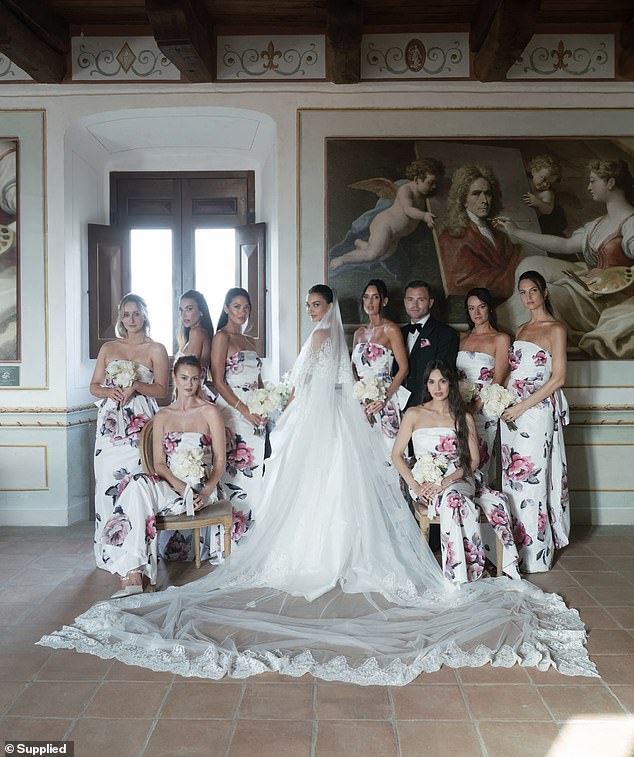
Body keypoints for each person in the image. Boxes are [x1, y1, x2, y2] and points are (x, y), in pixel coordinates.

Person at [40, 283, 594, 684]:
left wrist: (287, 400)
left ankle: (335, 552)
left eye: (315, 305)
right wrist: (280, 401)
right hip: (313, 417)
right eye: (308, 305)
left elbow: (322, 383)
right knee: (306, 486)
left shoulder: (332, 341)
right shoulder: (322, 338)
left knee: (329, 483)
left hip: (328, 420)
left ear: (328, 308)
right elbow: (303, 384)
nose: (311, 311)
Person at [101, 356, 226, 597]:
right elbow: (158, 464)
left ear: (200, 380)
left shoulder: (210, 412)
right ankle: (135, 570)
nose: (189, 384)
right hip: (171, 485)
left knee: (137, 492)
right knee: (136, 485)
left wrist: (206, 490)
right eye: (184, 378)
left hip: (200, 489)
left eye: (195, 378)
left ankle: (132, 574)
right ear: (174, 378)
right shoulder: (163, 416)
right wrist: (180, 487)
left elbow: (220, 461)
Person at [392, 361, 520, 583]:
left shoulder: (464, 417)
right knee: (455, 501)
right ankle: (463, 573)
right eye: (432, 382)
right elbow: (396, 455)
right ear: (426, 385)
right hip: (424, 482)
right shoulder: (413, 414)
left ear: (451, 383)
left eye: (442, 381)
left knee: (453, 498)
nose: (437, 387)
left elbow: (473, 461)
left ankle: (461, 575)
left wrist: (446, 481)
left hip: (458, 478)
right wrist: (416, 486)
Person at [495, 159, 634, 359]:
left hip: (612, 299)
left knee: (548, 293)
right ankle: (509, 322)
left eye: (593, 181)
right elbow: (565, 245)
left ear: (610, 183)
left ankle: (509, 328)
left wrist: (609, 277)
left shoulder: (630, 223)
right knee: (531, 266)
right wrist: (516, 231)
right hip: (591, 282)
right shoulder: (598, 224)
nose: (588, 186)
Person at [89, 294, 169, 572]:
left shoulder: (156, 349)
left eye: (136, 313)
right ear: (120, 318)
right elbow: (94, 386)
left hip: (141, 425)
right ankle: (110, 550)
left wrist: (136, 386)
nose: (131, 319)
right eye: (126, 314)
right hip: (110, 426)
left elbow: (163, 390)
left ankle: (138, 549)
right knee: (107, 484)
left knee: (137, 483)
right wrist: (109, 391)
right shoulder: (109, 348)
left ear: (145, 314)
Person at [500, 271, 570, 573]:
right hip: (512, 412)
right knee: (512, 478)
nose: (528, 297)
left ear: (544, 293)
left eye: (533, 291)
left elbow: (559, 378)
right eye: (523, 292)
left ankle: (536, 554)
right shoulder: (520, 329)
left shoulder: (556, 329)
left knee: (533, 478)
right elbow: (513, 373)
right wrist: (502, 401)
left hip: (537, 411)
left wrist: (524, 406)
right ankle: (513, 551)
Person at [210, 287, 266, 542]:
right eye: (236, 307)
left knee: (255, 474)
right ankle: (229, 539)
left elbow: (259, 381)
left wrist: (264, 407)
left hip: (257, 413)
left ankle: (251, 536)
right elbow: (218, 381)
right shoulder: (221, 337)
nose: (242, 312)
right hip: (233, 411)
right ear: (226, 309)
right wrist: (244, 410)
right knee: (233, 474)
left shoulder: (250, 341)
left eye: (246, 308)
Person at [329, 158, 445, 270]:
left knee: (382, 256)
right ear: (416, 179)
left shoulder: (423, 194)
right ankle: (342, 259)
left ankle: (361, 244)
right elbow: (408, 210)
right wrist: (424, 216)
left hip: (395, 235)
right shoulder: (406, 190)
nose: (434, 187)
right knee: (372, 255)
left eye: (435, 183)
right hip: (384, 226)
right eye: (431, 183)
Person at [438, 165, 523, 303]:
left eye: (488, 193)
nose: (484, 200)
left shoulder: (501, 236)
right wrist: (515, 274)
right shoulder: (451, 237)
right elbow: (462, 284)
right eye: (476, 193)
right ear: (463, 200)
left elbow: (516, 260)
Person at [456, 288, 511, 481]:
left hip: (484, 407)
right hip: (458, 405)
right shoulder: (461, 338)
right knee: (457, 458)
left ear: (490, 309)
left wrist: (475, 407)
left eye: (481, 307)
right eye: (471, 308)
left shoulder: (500, 339)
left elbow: (498, 378)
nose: (476, 313)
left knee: (480, 459)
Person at [351, 279, 408, 458]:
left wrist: (384, 398)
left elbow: (404, 368)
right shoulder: (358, 333)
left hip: (384, 397)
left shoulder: (390, 329)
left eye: (375, 297)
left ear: (384, 301)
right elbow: (353, 369)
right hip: (361, 399)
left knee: (387, 453)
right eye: (366, 297)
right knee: (364, 453)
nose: (370, 302)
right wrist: (359, 395)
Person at [399, 280, 458, 408]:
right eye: (410, 299)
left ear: (430, 302)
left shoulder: (445, 333)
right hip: (397, 404)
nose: (414, 305)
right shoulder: (398, 333)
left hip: (428, 405)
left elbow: (444, 374)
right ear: (405, 302)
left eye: (420, 300)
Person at [176, 289, 215, 397]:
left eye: (189, 309)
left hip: (191, 397)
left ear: (201, 311)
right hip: (193, 394)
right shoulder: (202, 333)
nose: (184, 315)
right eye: (181, 310)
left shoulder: (196, 332)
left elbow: (188, 372)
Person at [523, 154, 567, 237]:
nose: (545, 184)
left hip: (535, 221)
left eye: (549, 183)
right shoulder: (525, 180)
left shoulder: (547, 194)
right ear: (533, 172)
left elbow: (548, 210)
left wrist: (538, 203)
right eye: (543, 179)